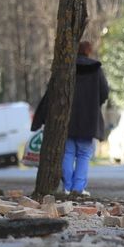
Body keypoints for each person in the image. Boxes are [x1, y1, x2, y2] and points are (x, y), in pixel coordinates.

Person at [33, 41, 109, 196]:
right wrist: (94, 105)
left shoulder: (66, 68)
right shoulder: (96, 69)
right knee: (83, 154)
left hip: (66, 119)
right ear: (89, 51)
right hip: (89, 120)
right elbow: (105, 92)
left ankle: (67, 187)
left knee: (67, 153)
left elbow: (52, 91)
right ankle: (78, 188)